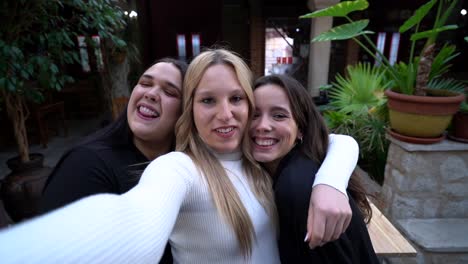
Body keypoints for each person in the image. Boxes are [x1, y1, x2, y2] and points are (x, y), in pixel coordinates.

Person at [0, 49, 357, 263]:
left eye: (236, 99)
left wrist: (330, 182)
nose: (225, 114)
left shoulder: (257, 161)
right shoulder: (178, 169)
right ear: (189, 110)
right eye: (207, 100)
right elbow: (134, 219)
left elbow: (339, 141)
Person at [40, 57, 188, 263]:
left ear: (185, 114)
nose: (151, 93)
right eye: (145, 83)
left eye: (170, 92)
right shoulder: (86, 165)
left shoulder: (182, 171)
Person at [250, 74, 379, 263]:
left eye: (279, 115)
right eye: (254, 115)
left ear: (300, 129)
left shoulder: (296, 187)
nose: (262, 126)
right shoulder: (298, 166)